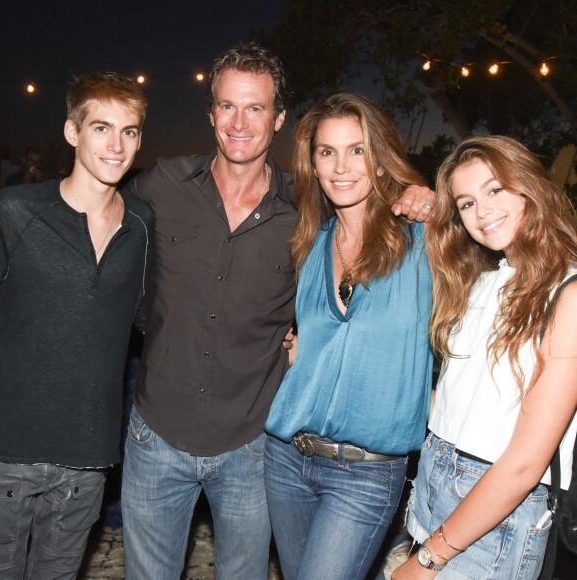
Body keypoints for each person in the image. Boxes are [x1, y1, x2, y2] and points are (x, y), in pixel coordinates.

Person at [121, 41, 435, 580]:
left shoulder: (304, 217)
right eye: (228, 106)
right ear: (211, 112)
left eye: (257, 108)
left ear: (279, 118)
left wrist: (424, 195)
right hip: (156, 435)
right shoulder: (160, 184)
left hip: (252, 448)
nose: (240, 122)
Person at [263, 92, 434, 579]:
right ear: (312, 166)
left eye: (357, 150)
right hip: (287, 458)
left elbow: (491, 233)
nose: (341, 166)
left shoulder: (423, 242)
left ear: (380, 160)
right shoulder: (310, 247)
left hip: (367, 472)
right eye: (326, 152)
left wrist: (437, 200)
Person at [393, 136, 577, 579]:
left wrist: (428, 558)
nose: (482, 212)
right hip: (435, 481)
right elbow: (458, 406)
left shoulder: (568, 294)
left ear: (529, 187)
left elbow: (525, 463)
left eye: (495, 190)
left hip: (497, 514)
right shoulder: (483, 282)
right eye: (466, 202)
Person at [0, 72, 153, 579]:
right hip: (6, 455)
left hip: (87, 459)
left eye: (129, 131)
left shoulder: (142, 225)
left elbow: (153, 319)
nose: (116, 145)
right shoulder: (16, 212)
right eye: (101, 128)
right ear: (72, 133)